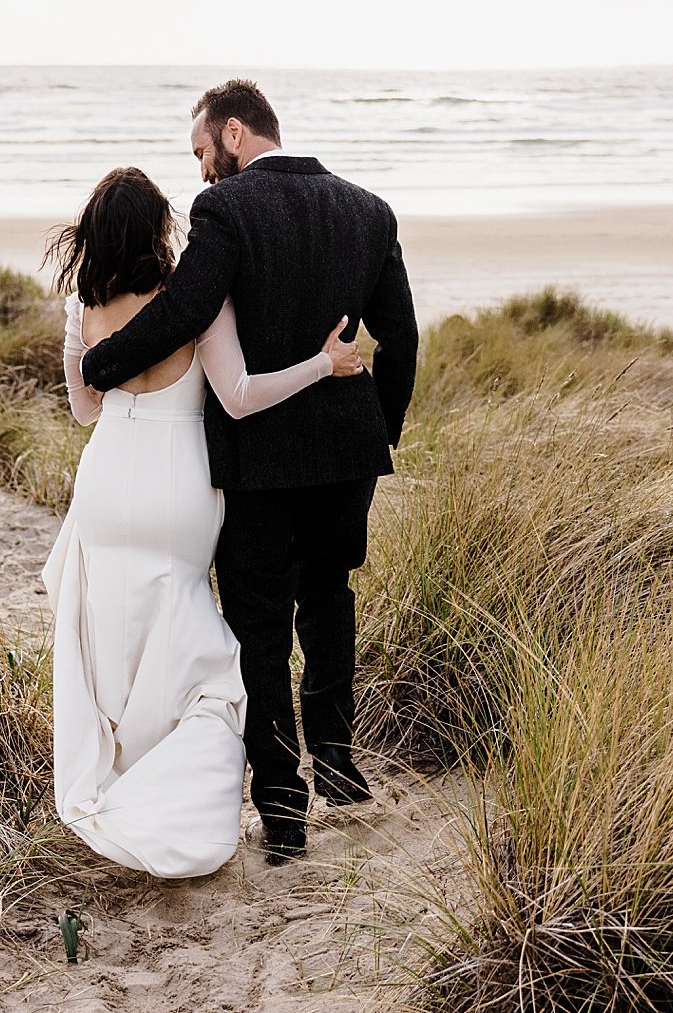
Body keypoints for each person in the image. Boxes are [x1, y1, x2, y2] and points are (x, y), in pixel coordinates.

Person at [81, 79, 418, 865]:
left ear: (234, 133)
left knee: (260, 628)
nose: (200, 172)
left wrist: (102, 361)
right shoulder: (369, 210)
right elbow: (401, 340)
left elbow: (185, 310)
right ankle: (334, 749)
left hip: (261, 461)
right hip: (345, 455)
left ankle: (283, 812)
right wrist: (379, 433)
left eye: (202, 152)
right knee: (330, 594)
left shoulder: (226, 211)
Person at [42, 165, 363, 878]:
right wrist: (321, 364)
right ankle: (179, 808)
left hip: (106, 479)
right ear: (159, 229)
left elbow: (82, 409)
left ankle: (120, 785)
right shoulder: (195, 301)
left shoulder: (82, 306)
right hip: (180, 485)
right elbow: (242, 397)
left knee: (115, 642)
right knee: (200, 657)